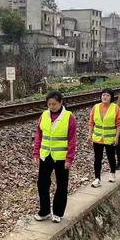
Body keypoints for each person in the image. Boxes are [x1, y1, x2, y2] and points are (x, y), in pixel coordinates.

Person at [33, 91, 77, 223]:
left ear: (61, 102)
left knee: (62, 185)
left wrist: (69, 158)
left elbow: (72, 140)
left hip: (61, 157)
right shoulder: (44, 115)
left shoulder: (69, 117)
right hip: (46, 155)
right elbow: (39, 135)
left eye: (54, 104)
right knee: (42, 184)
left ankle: (58, 212)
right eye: (49, 104)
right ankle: (44, 211)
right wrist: (36, 153)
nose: (52, 106)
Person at [88, 88, 120, 187]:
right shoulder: (95, 107)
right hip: (97, 138)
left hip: (110, 138)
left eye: (107, 95)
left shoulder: (115, 108)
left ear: (111, 97)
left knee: (111, 156)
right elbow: (91, 122)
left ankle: (112, 173)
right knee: (97, 158)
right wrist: (89, 135)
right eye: (103, 95)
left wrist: (117, 137)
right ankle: (97, 178)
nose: (105, 97)